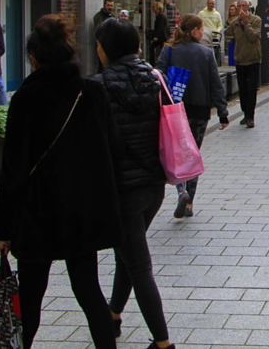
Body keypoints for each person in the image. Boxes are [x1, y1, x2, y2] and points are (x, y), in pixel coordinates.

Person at [0, 15, 121, 349]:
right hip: (82, 209)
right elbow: (112, 151)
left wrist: (2, 229)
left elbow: (12, 168)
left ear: (34, 58)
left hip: (37, 212)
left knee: (30, 297)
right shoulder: (92, 91)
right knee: (90, 291)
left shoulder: (25, 98)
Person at [94, 19, 175, 349]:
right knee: (128, 254)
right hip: (153, 185)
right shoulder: (155, 78)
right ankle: (113, 315)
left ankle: (163, 342)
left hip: (122, 189)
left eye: (98, 44)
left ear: (107, 48)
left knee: (138, 265)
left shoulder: (97, 87)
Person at [156, 14, 229, 217]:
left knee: (176, 153)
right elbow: (216, 85)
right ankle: (189, 202)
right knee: (192, 154)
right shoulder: (205, 53)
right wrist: (222, 113)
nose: (202, 32)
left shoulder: (169, 50)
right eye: (201, 28)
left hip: (174, 111)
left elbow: (158, 77)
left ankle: (181, 191)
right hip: (199, 110)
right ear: (194, 30)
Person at [225, 0, 261, 128]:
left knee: (252, 89)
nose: (241, 9)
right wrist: (232, 43)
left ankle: (250, 116)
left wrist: (246, 23)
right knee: (243, 89)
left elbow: (253, 37)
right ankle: (245, 113)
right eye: (239, 6)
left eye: (243, 6)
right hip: (240, 60)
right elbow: (227, 33)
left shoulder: (256, 20)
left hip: (253, 59)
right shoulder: (234, 23)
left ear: (248, 6)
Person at [148, 1, 169, 67]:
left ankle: (153, 62)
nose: (152, 9)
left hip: (161, 37)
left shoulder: (160, 16)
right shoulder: (161, 15)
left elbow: (160, 27)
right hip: (162, 36)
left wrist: (156, 36)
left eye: (153, 7)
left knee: (153, 47)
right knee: (161, 49)